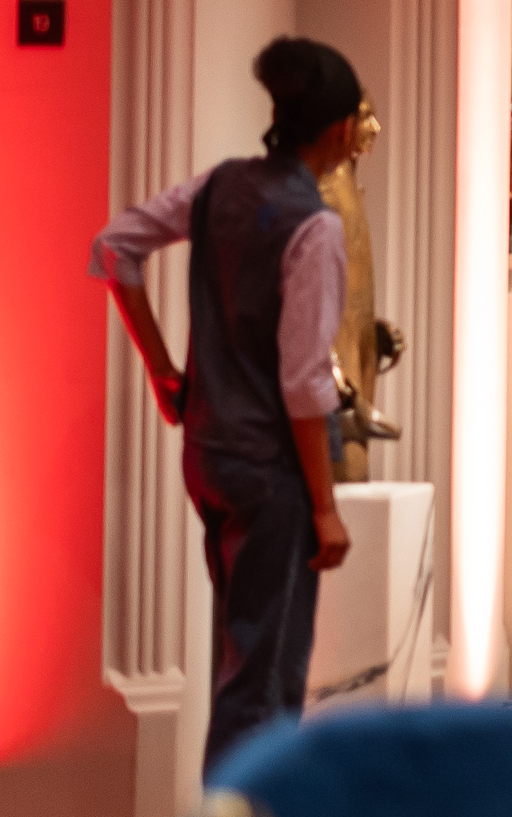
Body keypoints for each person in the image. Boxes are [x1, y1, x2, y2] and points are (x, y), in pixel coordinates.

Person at [96, 38, 366, 768]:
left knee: (244, 654)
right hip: (271, 471)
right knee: (264, 678)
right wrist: (323, 505)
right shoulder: (315, 226)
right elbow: (305, 380)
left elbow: (116, 246)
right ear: (340, 130)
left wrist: (164, 370)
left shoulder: (219, 187)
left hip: (208, 454)